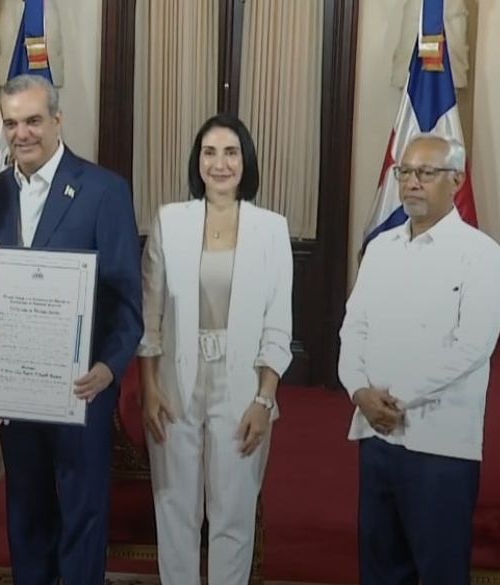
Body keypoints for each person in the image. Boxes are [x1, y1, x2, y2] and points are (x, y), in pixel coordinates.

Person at [0, 74, 143, 585]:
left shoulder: (104, 190)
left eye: (32, 120)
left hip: (81, 389)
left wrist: (108, 370)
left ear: (57, 120)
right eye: (11, 124)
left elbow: (127, 301)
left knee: (82, 514)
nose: (21, 134)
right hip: (15, 389)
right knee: (25, 511)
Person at [339, 134, 500, 585]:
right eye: (405, 172)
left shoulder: (483, 256)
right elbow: (352, 329)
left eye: (425, 173)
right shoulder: (380, 249)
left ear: (456, 180)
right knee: (379, 569)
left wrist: (396, 401)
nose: (412, 183)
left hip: (440, 445)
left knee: (438, 571)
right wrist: (359, 391)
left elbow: (472, 346)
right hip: (376, 436)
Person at [138, 113, 294, 585]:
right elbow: (150, 314)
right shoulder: (171, 220)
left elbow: (277, 323)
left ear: (245, 161)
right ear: (197, 160)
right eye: (209, 152)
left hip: (242, 383)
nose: (220, 163)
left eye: (230, 152)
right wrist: (148, 388)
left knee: (232, 513)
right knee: (175, 509)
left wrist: (265, 399)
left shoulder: (271, 228)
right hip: (174, 383)